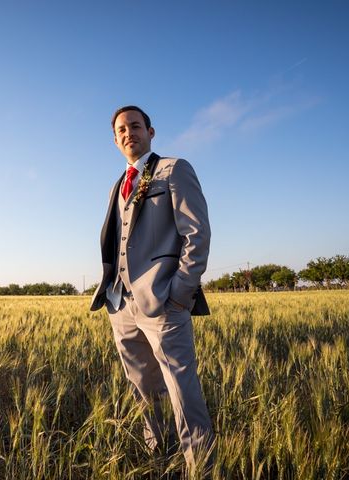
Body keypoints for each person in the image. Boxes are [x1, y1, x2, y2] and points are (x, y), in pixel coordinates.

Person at [90, 105, 214, 473]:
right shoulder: (117, 185)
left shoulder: (174, 169)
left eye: (136, 126)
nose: (129, 133)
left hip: (164, 302)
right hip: (122, 306)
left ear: (151, 131)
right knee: (144, 390)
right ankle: (156, 458)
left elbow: (197, 234)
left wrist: (179, 294)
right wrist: (114, 298)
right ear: (115, 140)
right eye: (122, 130)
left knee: (182, 390)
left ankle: (201, 468)